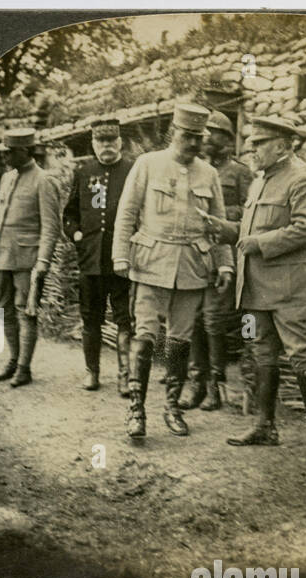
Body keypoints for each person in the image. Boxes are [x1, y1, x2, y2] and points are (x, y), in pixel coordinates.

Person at [203, 116, 306, 463]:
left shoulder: (301, 179)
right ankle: (264, 426)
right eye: (252, 144)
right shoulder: (260, 181)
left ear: (281, 145)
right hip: (256, 288)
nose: (252, 150)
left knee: (301, 354)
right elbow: (246, 232)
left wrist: (259, 243)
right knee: (261, 355)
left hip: (290, 288)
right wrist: (221, 228)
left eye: (258, 144)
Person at [111, 102, 232, 440]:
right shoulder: (147, 164)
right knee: (146, 337)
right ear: (173, 133)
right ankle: (136, 410)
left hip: (192, 267)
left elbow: (218, 226)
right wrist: (120, 256)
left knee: (179, 341)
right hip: (150, 263)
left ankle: (172, 407)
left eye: (198, 138)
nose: (193, 143)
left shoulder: (209, 174)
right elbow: (127, 212)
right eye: (187, 136)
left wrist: (225, 263)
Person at [181, 109, 254, 411]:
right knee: (195, 320)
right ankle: (196, 384)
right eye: (205, 133)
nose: (208, 139)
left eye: (215, 133)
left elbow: (250, 217)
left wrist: (224, 219)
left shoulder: (240, 172)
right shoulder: (196, 171)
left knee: (213, 321)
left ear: (227, 138)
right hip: (197, 255)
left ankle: (216, 387)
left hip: (225, 255)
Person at [0, 128, 62, 388]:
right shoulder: (7, 178)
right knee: (3, 310)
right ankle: (13, 360)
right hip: (1, 256)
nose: (4, 157)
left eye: (9, 152)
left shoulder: (44, 180)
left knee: (25, 312)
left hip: (27, 260)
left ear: (25, 151)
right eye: (3, 152)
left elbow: (51, 227)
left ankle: (24, 368)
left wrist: (43, 263)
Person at [61, 118, 134, 395]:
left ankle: (125, 376)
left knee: (124, 319)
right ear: (93, 144)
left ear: (120, 142)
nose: (106, 146)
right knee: (91, 318)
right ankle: (92, 373)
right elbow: (70, 214)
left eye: (111, 141)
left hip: (121, 259)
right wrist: (76, 234)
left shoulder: (132, 170)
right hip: (91, 260)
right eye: (101, 142)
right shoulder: (84, 172)